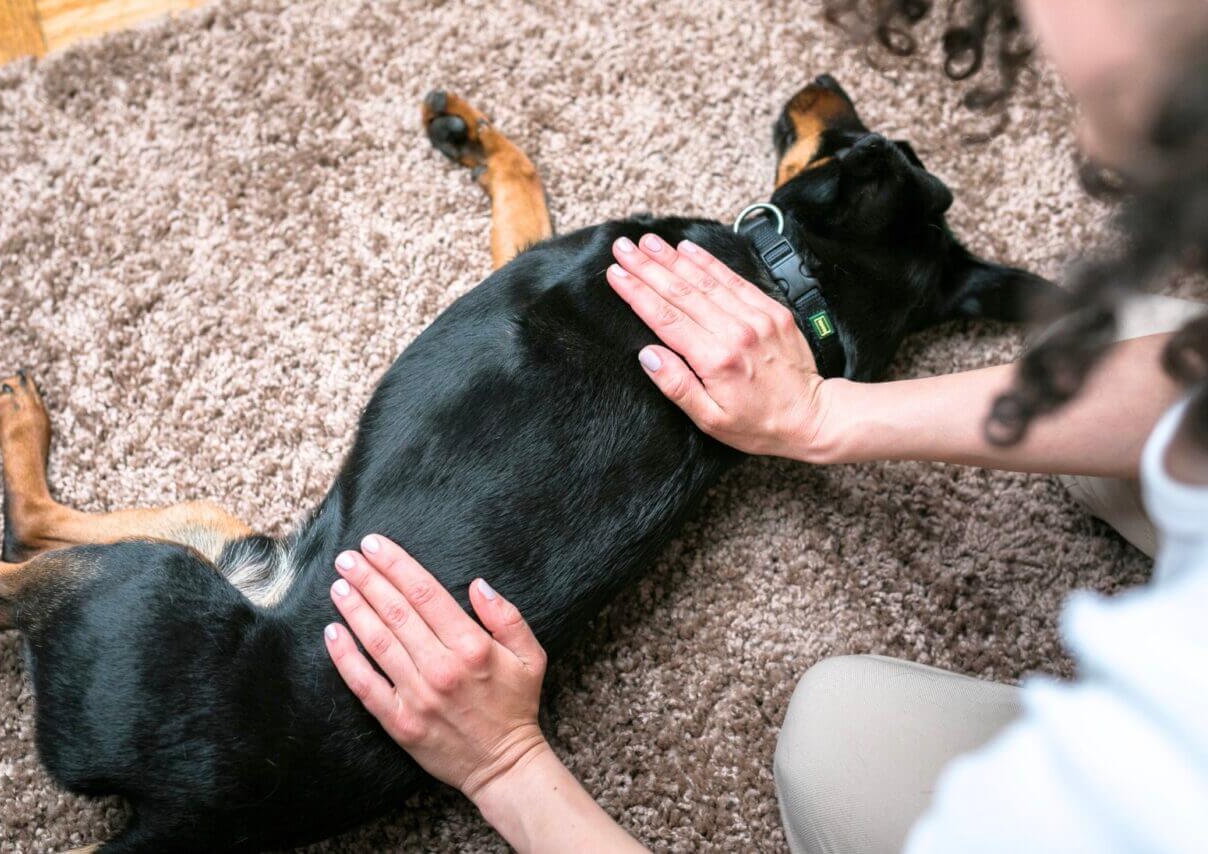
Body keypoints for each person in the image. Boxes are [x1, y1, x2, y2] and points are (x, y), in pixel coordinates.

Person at [322, 1, 1208, 850]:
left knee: (837, 737)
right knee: (1138, 339)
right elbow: (1181, 382)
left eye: (1109, 98)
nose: (1087, 144)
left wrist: (502, 765)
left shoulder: (1126, 786)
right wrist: (822, 415)